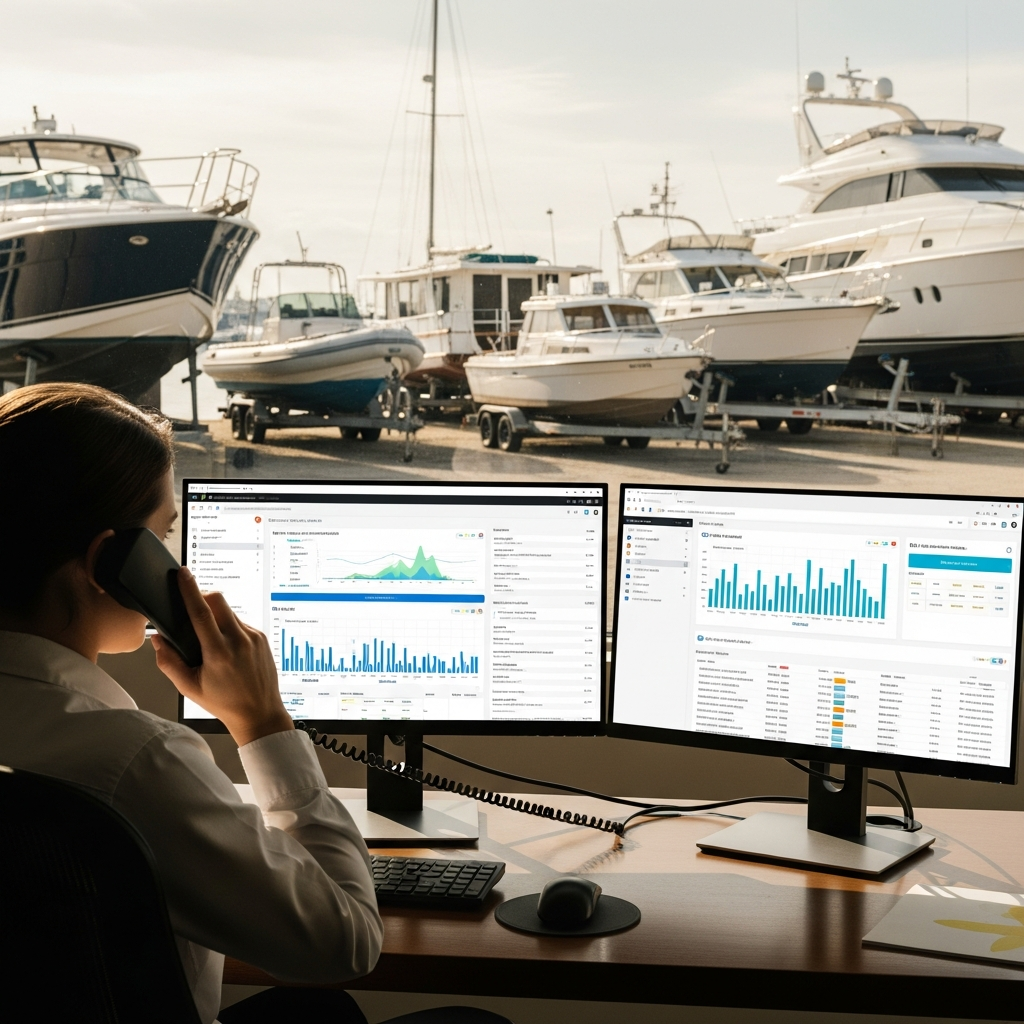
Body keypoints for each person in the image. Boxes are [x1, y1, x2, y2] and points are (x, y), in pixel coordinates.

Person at [0, 383, 511, 1024]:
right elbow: (345, 943)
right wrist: (263, 721)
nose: (176, 565)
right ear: (114, 562)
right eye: (163, 536)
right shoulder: (135, 762)